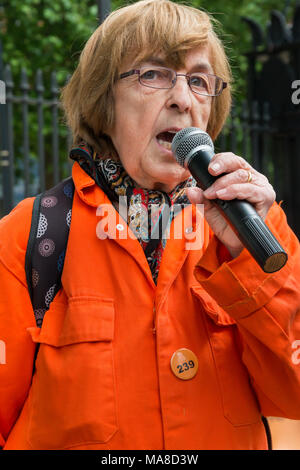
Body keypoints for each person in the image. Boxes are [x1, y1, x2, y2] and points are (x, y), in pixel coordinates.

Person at [0, 0, 300, 451]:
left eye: (199, 81)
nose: (182, 98)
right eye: (152, 74)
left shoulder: (252, 232)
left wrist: (251, 262)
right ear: (105, 99)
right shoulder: (33, 234)